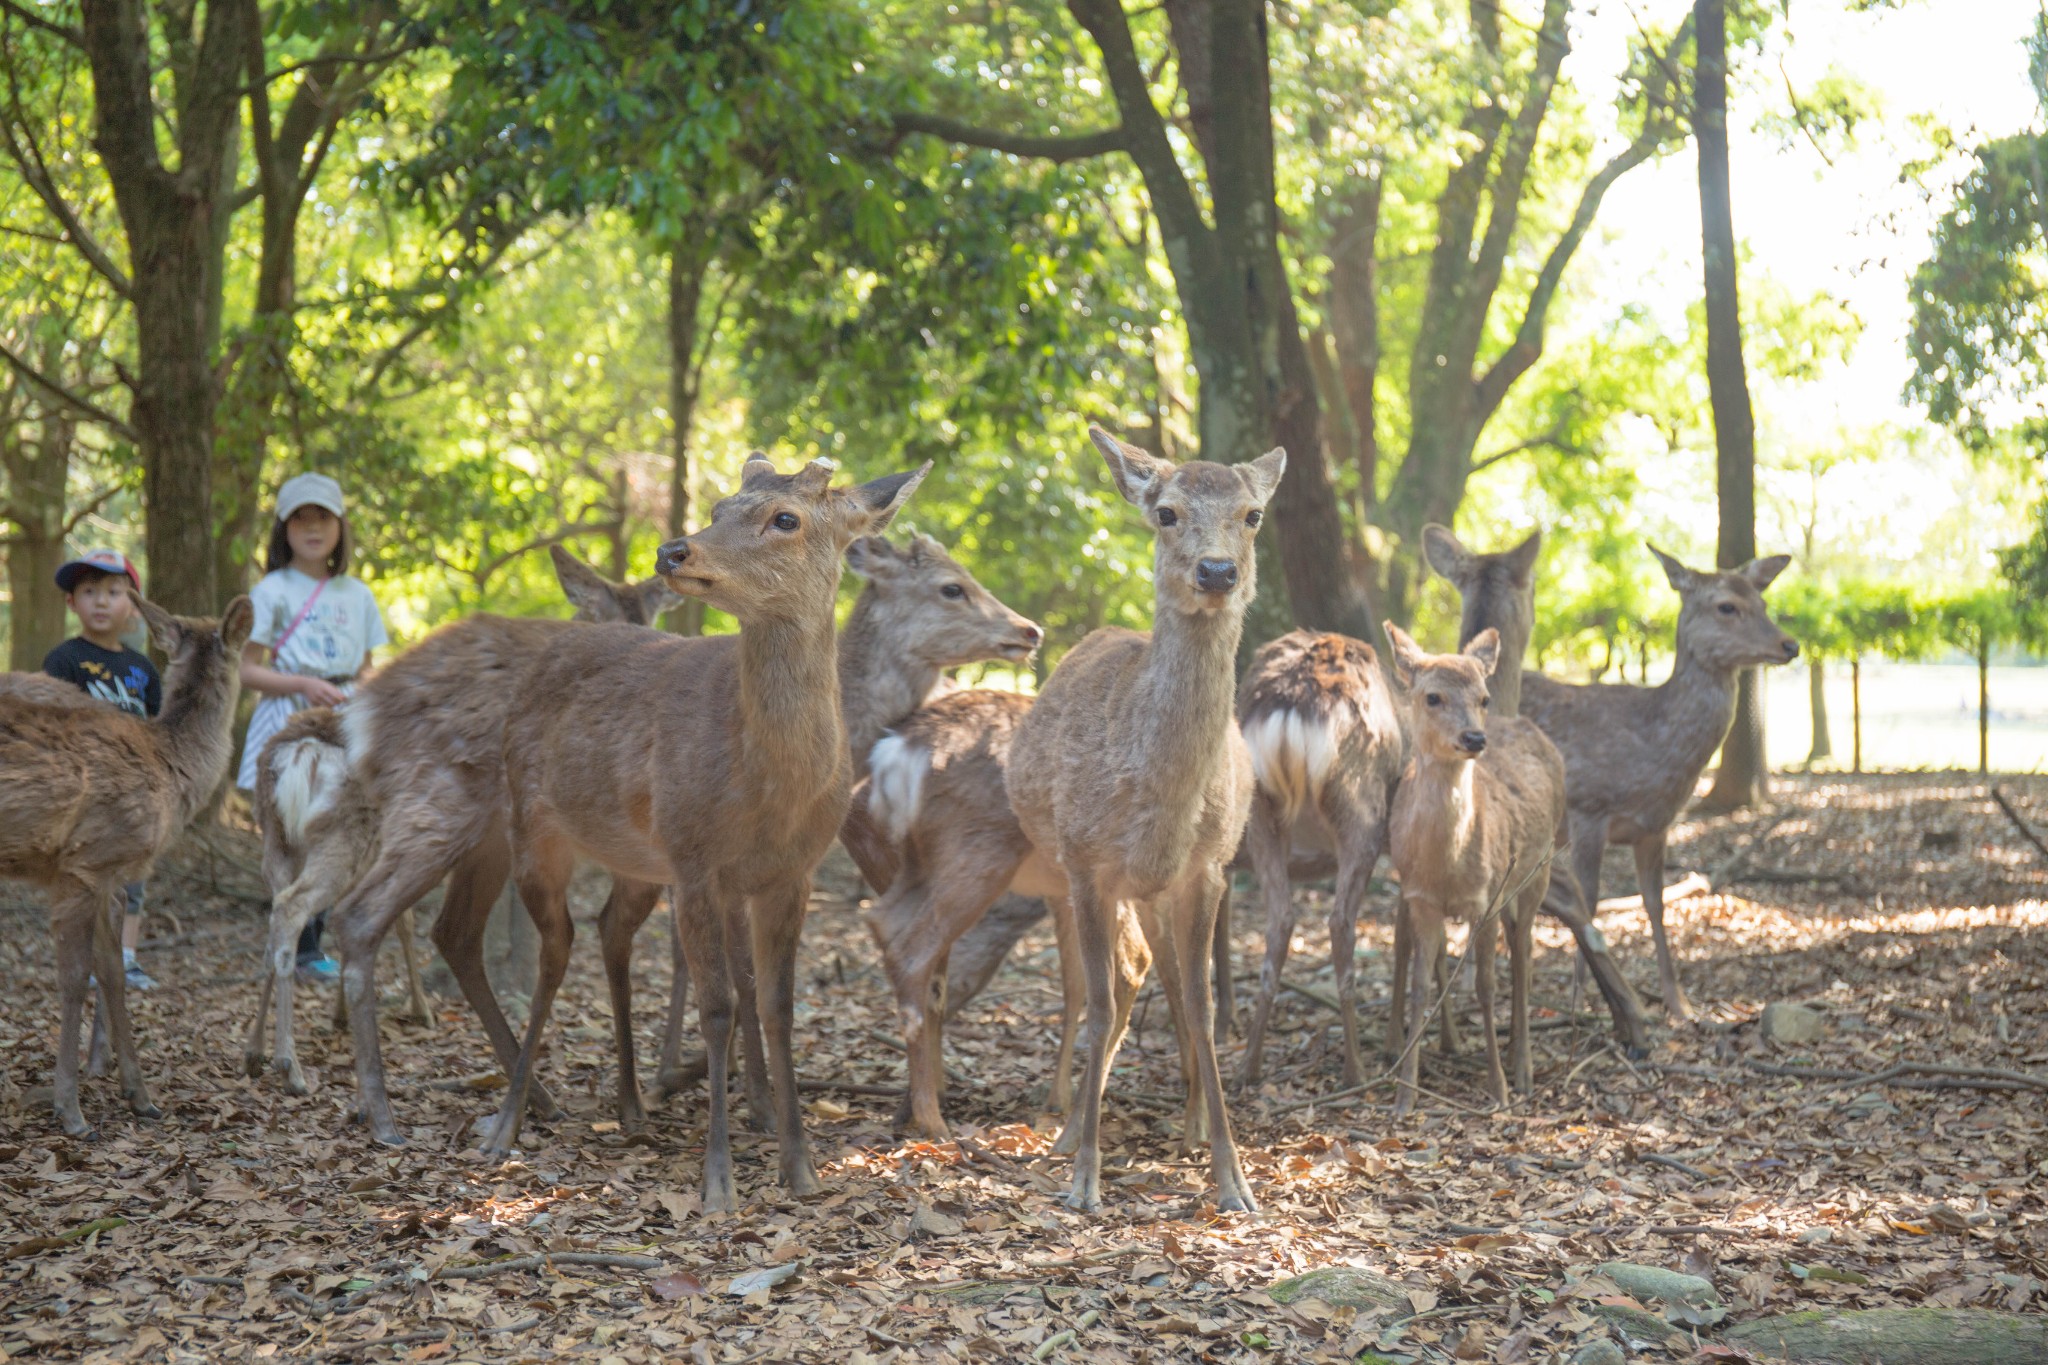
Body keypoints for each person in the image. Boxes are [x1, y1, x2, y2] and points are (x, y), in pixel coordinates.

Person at [235, 473, 388, 983]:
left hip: (343, 720)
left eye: (323, 516)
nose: (313, 527)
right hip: (288, 716)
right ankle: (293, 946)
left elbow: (367, 667)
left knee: (333, 826)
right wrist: (302, 681)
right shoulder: (273, 589)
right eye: (301, 517)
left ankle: (312, 945)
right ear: (284, 528)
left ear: (340, 526)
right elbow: (246, 668)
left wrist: (361, 696)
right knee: (290, 833)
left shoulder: (358, 595)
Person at [43, 547, 162, 990]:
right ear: (72, 602)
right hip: (83, 792)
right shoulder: (64, 661)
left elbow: (157, 729)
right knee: (82, 877)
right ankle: (83, 960)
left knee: (131, 879)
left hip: (131, 795)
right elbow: (50, 724)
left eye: (114, 591)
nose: (101, 601)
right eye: (89, 591)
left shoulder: (143, 669)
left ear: (133, 605)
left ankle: (126, 959)